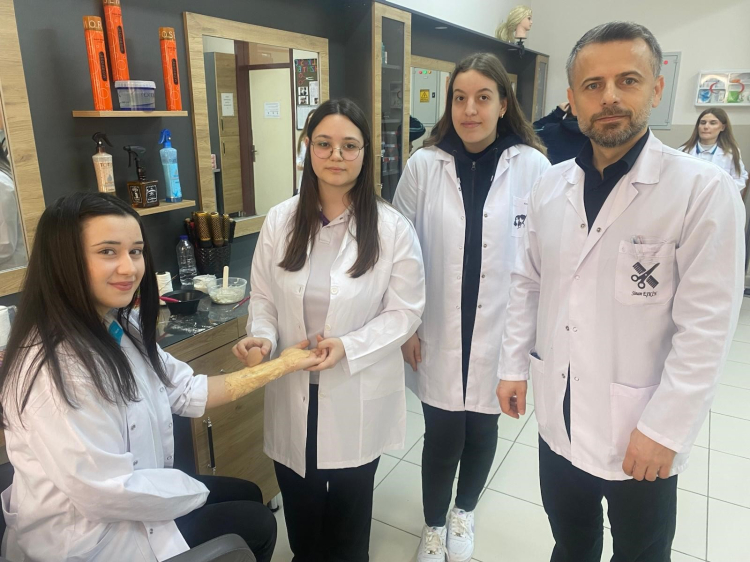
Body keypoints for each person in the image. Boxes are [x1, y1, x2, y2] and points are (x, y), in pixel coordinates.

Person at [497, 22, 745, 562]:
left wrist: (666, 428)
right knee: (571, 542)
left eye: (627, 80)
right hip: (558, 414)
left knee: (641, 552)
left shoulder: (703, 191)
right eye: (593, 85)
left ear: (656, 89)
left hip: (641, 426)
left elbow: (706, 328)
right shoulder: (549, 186)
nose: (609, 96)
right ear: (572, 99)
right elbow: (527, 282)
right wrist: (513, 365)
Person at [0, 192, 327, 562]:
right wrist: (191, 491)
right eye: (107, 252)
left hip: (131, 495)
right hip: (93, 538)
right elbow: (107, 492)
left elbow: (187, 389)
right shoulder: (56, 370)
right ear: (63, 260)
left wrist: (283, 364)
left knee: (249, 494)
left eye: (135, 251)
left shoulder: (120, 326)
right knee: (257, 524)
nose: (129, 268)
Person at [232, 98, 425, 562]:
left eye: (349, 145)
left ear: (365, 153)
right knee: (302, 518)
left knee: (349, 524)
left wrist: (349, 346)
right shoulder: (280, 220)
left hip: (357, 390)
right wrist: (263, 337)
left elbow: (404, 312)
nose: (336, 155)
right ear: (307, 148)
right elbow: (263, 298)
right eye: (324, 144)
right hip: (293, 388)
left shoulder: (393, 229)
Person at [393, 52, 549, 562]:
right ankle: (434, 524)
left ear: (503, 104)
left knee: (482, 428)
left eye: (483, 97)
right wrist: (407, 326)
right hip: (437, 324)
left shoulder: (533, 166)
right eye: (459, 98)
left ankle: (464, 511)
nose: (469, 110)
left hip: (501, 328)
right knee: (441, 435)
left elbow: (545, 258)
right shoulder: (424, 164)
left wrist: (531, 343)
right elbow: (400, 251)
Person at [679, 108, 748, 192]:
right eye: (703, 123)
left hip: (719, 197)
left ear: (722, 127)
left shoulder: (731, 153)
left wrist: (720, 191)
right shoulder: (683, 151)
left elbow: (740, 179)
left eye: (712, 123)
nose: (706, 127)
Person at [295, 109, 314, 196]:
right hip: (306, 176)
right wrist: (302, 165)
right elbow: (298, 160)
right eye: (310, 119)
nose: (311, 121)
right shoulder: (303, 138)